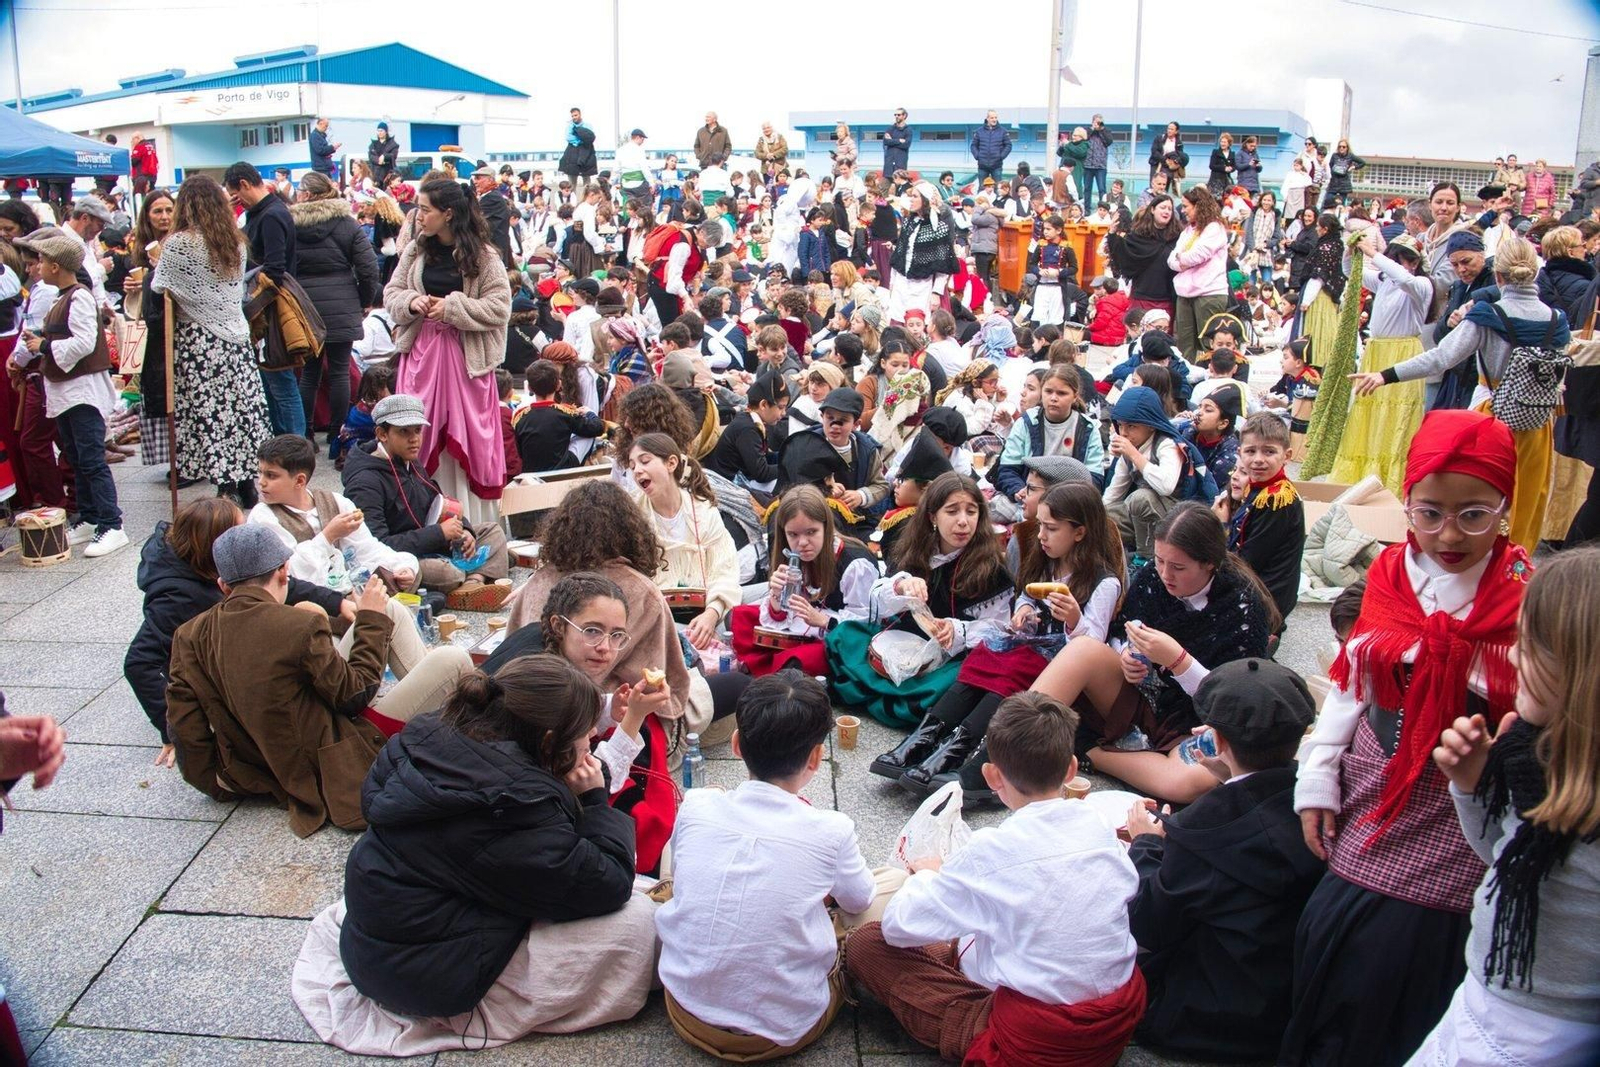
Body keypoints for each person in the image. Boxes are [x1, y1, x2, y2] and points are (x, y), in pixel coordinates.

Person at [1285, 410, 1531, 1066]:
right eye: (1429, 512)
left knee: (1409, 956)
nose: (1448, 533)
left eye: (1473, 514)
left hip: (1466, 801)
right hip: (1377, 778)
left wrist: (1449, 651)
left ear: (1505, 508)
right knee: (1337, 934)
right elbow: (1352, 679)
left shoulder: (1522, 594)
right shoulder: (1394, 574)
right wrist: (1318, 775)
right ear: (1409, 503)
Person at [292, 655, 659, 1056]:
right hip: (426, 976)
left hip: (380, 943)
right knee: (641, 925)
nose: (592, 739)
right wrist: (594, 802)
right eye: (584, 737)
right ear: (549, 742)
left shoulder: (436, 742)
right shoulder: (510, 805)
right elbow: (607, 883)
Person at [847, 692, 1145, 1065]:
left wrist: (926, 876)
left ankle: (964, 1014)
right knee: (973, 925)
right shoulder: (1099, 824)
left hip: (1035, 1039)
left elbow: (897, 927)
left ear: (991, 775)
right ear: (1071, 770)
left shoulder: (992, 852)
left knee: (867, 945)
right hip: (1115, 1024)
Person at [1413, 547, 1600, 1066]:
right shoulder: (1531, 753)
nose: (1512, 657)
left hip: (1547, 1034)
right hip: (1483, 996)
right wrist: (1471, 787)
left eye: (1530, 646)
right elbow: (1501, 858)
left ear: (1582, 669)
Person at [166, 524, 473, 836]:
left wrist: (220, 781)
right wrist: (372, 621)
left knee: (389, 608)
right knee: (453, 659)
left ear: (223, 586)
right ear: (284, 571)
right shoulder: (298, 623)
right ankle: (446, 736)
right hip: (336, 756)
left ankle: (433, 731)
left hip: (264, 757)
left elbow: (184, 726)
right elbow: (354, 695)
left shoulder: (189, 635)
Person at [657, 671, 895, 1060]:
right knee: (891, 886)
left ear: (736, 744)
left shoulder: (697, 804)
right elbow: (858, 901)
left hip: (685, 1008)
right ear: (816, 757)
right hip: (780, 1029)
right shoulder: (831, 830)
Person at [1126, 658, 1324, 1062]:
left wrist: (1146, 844)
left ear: (1216, 742)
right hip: (1287, 1006)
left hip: (1204, 1015)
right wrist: (1225, 773)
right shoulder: (1318, 800)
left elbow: (1149, 922)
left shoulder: (1206, 830)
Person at [877, 482, 1122, 799]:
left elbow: (1092, 646)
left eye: (1051, 528)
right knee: (987, 653)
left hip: (1060, 665)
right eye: (1040, 527)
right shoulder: (1047, 561)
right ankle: (925, 738)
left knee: (1014, 666)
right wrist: (1023, 609)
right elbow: (1027, 595)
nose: (1041, 536)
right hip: (1032, 642)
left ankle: (966, 753)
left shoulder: (1104, 582)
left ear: (1080, 532)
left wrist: (1074, 618)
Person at [1031, 503, 1279, 802]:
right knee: (1083, 650)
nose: (1165, 574)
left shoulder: (1244, 607)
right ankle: (1009, 752)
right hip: (1141, 696)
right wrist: (1125, 654)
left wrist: (1179, 661)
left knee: (1194, 781)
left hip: (1195, 719)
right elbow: (1122, 629)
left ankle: (1089, 752)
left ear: (1210, 563)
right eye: (1160, 561)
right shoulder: (1152, 577)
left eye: (1178, 567)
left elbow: (1239, 699)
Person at [1350, 236, 1570, 551]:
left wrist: (1385, 375)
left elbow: (1441, 357)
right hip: (1538, 424)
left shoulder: (1488, 315)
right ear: (1534, 274)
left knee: (1480, 499)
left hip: (1491, 418)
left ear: (1498, 276)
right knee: (1527, 500)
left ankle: (1475, 567)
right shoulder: (1557, 320)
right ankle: (1514, 569)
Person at [125, 497, 346, 766]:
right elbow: (139, 663)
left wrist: (338, 601)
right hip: (209, 678)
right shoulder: (176, 598)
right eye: (238, 530)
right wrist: (173, 730)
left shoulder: (211, 564)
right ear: (215, 546)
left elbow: (275, 580)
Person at [826, 472, 1012, 726]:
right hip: (902, 639)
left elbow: (1000, 630)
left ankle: (895, 700)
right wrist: (900, 586)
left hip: (950, 657)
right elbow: (876, 606)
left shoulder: (992, 568)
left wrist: (957, 631)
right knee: (843, 636)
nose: (962, 522)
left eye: (971, 511)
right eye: (952, 511)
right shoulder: (914, 550)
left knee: (962, 679)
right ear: (933, 516)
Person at [382, 177, 511, 523]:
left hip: (464, 362)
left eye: (425, 209)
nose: (418, 216)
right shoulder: (415, 250)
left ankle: (471, 523)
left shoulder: (484, 256)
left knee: (466, 437)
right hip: (421, 358)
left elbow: (500, 307)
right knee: (416, 435)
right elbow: (391, 294)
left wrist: (453, 308)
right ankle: (420, 519)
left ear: (448, 213)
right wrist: (413, 302)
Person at [10, 229, 127, 555]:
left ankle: (112, 523)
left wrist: (43, 344)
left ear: (57, 266)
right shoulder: (65, 297)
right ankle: (90, 517)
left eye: (43, 261)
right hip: (66, 391)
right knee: (76, 458)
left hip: (82, 392)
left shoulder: (78, 297)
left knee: (90, 460)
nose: (37, 266)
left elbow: (83, 342)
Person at [341, 394, 509, 604]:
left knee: (491, 531)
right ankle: (481, 573)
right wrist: (438, 534)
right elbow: (377, 544)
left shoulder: (408, 459)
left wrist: (464, 530)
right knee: (449, 574)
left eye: (418, 431)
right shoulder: (364, 481)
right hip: (403, 558)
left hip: (432, 542)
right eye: (404, 431)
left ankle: (472, 583)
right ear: (382, 434)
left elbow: (438, 502)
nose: (414, 439)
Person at [1328, 233, 1433, 496]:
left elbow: (1404, 278)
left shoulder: (1421, 284)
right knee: (1368, 413)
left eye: (1409, 259)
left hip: (1403, 353)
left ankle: (1393, 480)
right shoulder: (1385, 282)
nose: (1404, 263)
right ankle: (1365, 475)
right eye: (1399, 258)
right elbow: (1351, 272)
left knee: (1398, 417)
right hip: (1376, 351)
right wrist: (1351, 250)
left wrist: (1375, 254)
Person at [250, 433, 417, 592]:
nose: (261, 482)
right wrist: (328, 536)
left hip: (351, 590)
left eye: (271, 476)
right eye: (260, 473)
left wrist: (402, 567)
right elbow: (288, 573)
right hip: (305, 605)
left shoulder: (336, 502)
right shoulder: (263, 517)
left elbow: (367, 550)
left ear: (300, 480)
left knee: (428, 572)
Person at [290, 172, 379, 452]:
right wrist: (364, 300)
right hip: (342, 302)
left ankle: (305, 433)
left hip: (304, 305)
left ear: (305, 194)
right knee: (340, 371)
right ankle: (336, 433)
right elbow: (368, 267)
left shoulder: (291, 225)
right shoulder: (346, 224)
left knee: (309, 373)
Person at [628, 433, 740, 651]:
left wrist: (712, 613)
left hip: (707, 609)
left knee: (763, 594)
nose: (637, 470)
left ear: (671, 463)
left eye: (644, 461)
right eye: (632, 466)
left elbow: (725, 568)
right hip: (657, 619)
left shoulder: (704, 510)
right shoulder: (632, 515)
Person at [224, 162, 306, 438]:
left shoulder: (270, 215)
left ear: (245, 185)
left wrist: (250, 305)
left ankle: (294, 446)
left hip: (270, 309)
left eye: (236, 194)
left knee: (280, 381)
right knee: (274, 382)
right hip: (267, 306)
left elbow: (274, 269)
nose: (238, 201)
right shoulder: (265, 212)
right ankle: (287, 444)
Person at [1103, 385, 1217, 568]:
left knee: (1141, 498)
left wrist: (1134, 455)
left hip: (1174, 513)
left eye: (1131, 426)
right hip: (1142, 517)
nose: (1124, 433)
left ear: (1149, 425)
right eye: (1121, 425)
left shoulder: (1166, 445)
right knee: (1104, 518)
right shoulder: (1130, 449)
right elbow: (1115, 491)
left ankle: (1146, 559)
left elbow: (1166, 486)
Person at [1217, 413, 1305, 621]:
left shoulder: (1276, 499)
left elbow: (1248, 561)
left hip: (1265, 599)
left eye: (1269, 451)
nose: (1258, 460)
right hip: (1254, 583)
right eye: (1250, 451)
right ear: (1239, 453)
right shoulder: (1259, 489)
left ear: (1287, 455)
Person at [777, 387, 887, 538]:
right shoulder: (807, 445)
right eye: (830, 418)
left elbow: (881, 485)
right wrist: (825, 490)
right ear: (822, 417)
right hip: (812, 519)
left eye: (843, 420)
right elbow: (793, 486)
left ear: (856, 424)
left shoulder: (867, 450)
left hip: (855, 520)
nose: (835, 425)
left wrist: (861, 496)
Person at [995, 364, 1104, 501]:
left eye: (1061, 393)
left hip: (1070, 501)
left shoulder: (1088, 428)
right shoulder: (1026, 422)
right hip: (1028, 498)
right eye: (1048, 391)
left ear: (1075, 396)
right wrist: (1018, 490)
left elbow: (1094, 478)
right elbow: (1007, 469)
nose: (1053, 398)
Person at [1167, 187, 1229, 360]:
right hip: (1184, 294)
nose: (1183, 210)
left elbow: (1199, 254)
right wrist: (1182, 260)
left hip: (1209, 294)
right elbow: (1171, 260)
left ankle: (1214, 378)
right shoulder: (1188, 231)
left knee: (1208, 343)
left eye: (1186, 206)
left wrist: (1182, 258)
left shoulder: (1214, 228)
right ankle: (1186, 380)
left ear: (1198, 206)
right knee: (1184, 344)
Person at [514, 358, 606, 472]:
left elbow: (520, 452)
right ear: (558, 385)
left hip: (531, 470)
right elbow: (598, 428)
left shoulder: (520, 417)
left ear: (529, 387)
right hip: (562, 469)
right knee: (586, 434)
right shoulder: (565, 413)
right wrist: (590, 413)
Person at [704, 374, 785, 497]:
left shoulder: (751, 420)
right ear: (763, 405)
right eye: (780, 407)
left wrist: (787, 455)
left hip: (739, 477)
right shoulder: (748, 429)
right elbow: (762, 473)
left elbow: (765, 457)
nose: (784, 413)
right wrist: (788, 466)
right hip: (729, 485)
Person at [1108, 197, 1183, 320]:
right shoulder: (1139, 235)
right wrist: (1112, 234)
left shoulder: (1179, 237)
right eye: (1163, 207)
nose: (1167, 211)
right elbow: (1123, 254)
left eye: (1169, 209)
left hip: (1167, 298)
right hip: (1141, 296)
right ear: (1152, 209)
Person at [471, 166, 514, 269]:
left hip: (495, 250)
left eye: (478, 178)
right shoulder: (488, 196)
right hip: (493, 250)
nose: (475, 182)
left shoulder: (492, 198)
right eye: (474, 178)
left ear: (490, 180)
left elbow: (475, 219)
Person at [558, 108, 597, 194]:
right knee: (572, 183)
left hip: (586, 154)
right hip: (572, 154)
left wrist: (580, 140)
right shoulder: (570, 127)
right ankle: (572, 202)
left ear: (580, 115)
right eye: (572, 116)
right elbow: (568, 138)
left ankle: (586, 201)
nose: (574, 117)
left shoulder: (588, 125)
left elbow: (590, 137)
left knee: (587, 181)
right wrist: (580, 141)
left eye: (575, 115)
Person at [969, 110, 1012, 188]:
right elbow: (973, 146)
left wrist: (1001, 156)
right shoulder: (979, 131)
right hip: (982, 166)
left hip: (997, 165)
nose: (994, 119)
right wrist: (978, 156)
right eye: (992, 118)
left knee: (998, 189)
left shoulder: (1003, 131)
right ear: (987, 119)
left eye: (995, 117)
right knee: (982, 188)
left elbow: (1008, 145)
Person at [1321, 139, 1366, 209]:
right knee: (1327, 203)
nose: (1341, 148)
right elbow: (1330, 166)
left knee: (1340, 205)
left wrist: (1354, 167)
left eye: (1343, 147)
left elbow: (1362, 163)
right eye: (1340, 146)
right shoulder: (1334, 155)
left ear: (1347, 148)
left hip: (1344, 185)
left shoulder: (1350, 156)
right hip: (1334, 183)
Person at [365, 122, 398, 188]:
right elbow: (371, 156)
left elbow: (393, 155)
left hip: (387, 175)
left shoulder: (393, 144)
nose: (380, 133)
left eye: (381, 131)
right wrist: (378, 160)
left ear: (386, 132)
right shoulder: (373, 145)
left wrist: (384, 156)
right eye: (378, 131)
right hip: (375, 176)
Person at [883, 108, 913, 176]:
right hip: (889, 165)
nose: (896, 116)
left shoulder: (908, 130)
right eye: (895, 115)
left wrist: (892, 141)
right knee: (885, 185)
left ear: (904, 116)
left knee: (899, 184)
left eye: (899, 115)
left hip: (900, 165)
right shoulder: (890, 129)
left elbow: (906, 145)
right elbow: (886, 141)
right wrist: (899, 140)